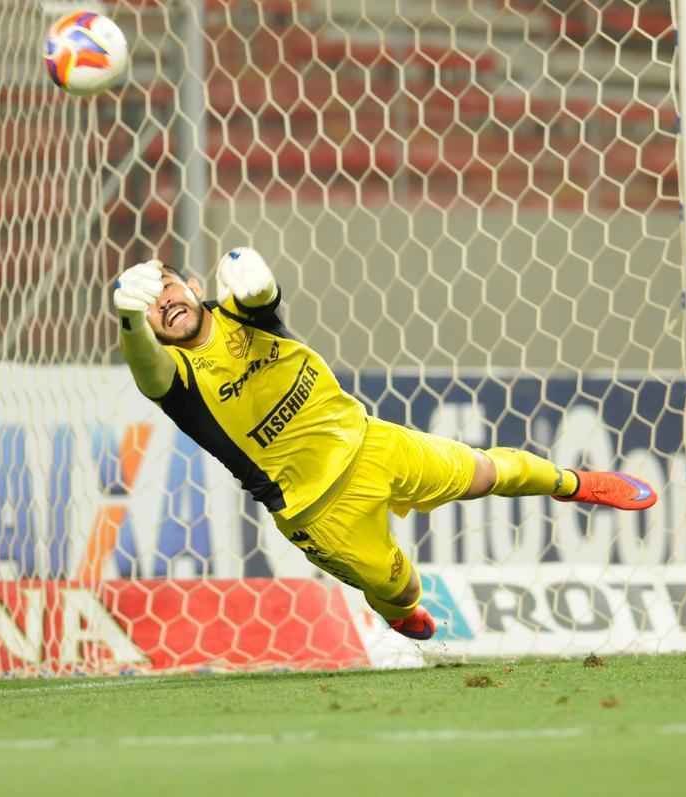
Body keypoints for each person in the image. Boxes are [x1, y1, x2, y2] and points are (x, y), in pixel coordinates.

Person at [112, 248, 657, 640]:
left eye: (167, 287)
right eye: (151, 305)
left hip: (372, 443)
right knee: (398, 587)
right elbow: (146, 367)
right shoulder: (173, 378)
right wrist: (130, 320)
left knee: (485, 472)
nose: (164, 303)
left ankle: (577, 484)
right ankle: (398, 613)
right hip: (319, 511)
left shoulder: (239, 313)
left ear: (189, 282)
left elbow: (262, 296)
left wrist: (258, 280)